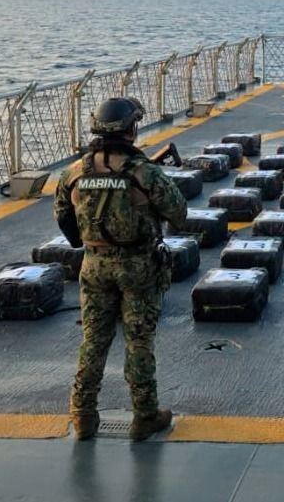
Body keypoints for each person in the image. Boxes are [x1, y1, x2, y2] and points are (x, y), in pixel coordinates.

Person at [54, 96, 188, 441]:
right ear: (131, 130)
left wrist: (82, 241)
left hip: (94, 265)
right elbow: (179, 213)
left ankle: (83, 415)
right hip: (138, 266)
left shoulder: (74, 173)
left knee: (93, 340)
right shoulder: (144, 172)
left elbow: (63, 217)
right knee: (138, 341)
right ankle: (145, 415)